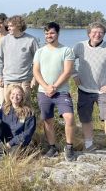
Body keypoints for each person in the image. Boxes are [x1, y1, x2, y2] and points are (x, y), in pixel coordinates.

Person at [73, 22, 106, 165]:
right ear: (88, 33)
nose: (97, 34)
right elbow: (69, 60)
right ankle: (89, 145)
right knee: (85, 119)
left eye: (100, 32)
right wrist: (74, 74)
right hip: (84, 90)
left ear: (104, 34)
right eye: (94, 32)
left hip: (103, 91)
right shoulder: (80, 46)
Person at [33, 22, 75, 161]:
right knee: (47, 120)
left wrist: (54, 87)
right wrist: (46, 87)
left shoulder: (66, 50)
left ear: (57, 33)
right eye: (46, 33)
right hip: (43, 91)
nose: (48, 36)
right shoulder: (40, 51)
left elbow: (67, 72)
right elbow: (36, 71)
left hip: (61, 91)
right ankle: (52, 147)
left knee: (69, 117)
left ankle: (69, 147)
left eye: (51, 33)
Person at [0, 15, 39, 104]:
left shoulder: (31, 40)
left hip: (24, 81)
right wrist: (0, 76)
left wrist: (35, 78)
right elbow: (0, 59)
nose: (8, 28)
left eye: (11, 26)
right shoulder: (4, 40)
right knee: (8, 107)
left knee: (24, 107)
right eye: (8, 26)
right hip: (8, 80)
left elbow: (38, 61)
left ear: (18, 26)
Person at [0, 85, 36, 157]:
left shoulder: (28, 112)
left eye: (18, 94)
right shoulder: (4, 109)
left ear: (22, 96)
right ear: (9, 95)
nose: (15, 96)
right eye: (13, 94)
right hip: (4, 140)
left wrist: (10, 144)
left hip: (18, 142)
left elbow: (27, 134)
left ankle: (11, 152)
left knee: (13, 155)